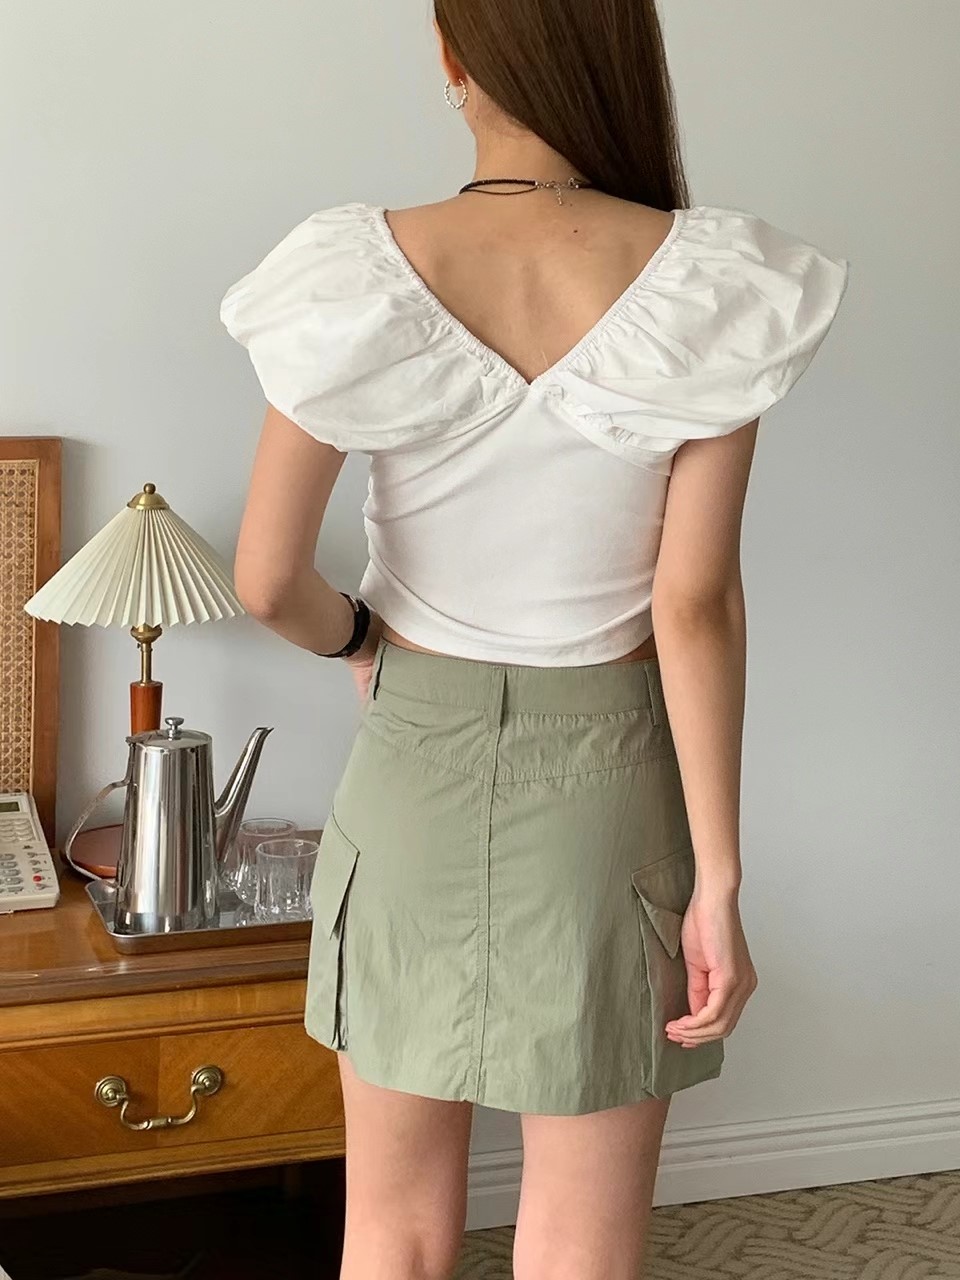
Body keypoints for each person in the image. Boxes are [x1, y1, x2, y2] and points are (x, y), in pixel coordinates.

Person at [219, 1, 849, 1275]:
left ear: (453, 59)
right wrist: (719, 879)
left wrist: (360, 638)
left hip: (413, 761)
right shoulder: (710, 283)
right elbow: (693, 605)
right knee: (579, 1236)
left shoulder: (355, 271)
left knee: (391, 1226)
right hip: (611, 772)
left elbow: (268, 577)